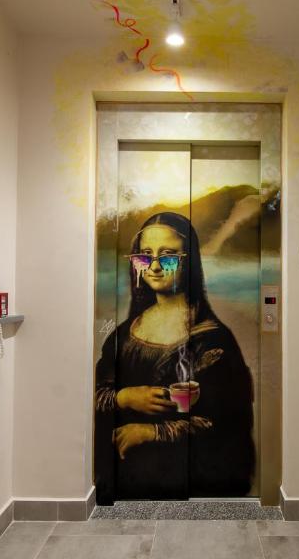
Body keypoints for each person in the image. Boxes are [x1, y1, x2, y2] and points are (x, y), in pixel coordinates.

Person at [94, 212, 255, 503]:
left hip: (192, 476)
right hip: (128, 480)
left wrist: (152, 432)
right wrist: (125, 397)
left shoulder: (214, 340)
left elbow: (226, 420)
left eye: (168, 256)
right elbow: (95, 393)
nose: (154, 266)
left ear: (188, 260)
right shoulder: (123, 334)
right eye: (145, 256)